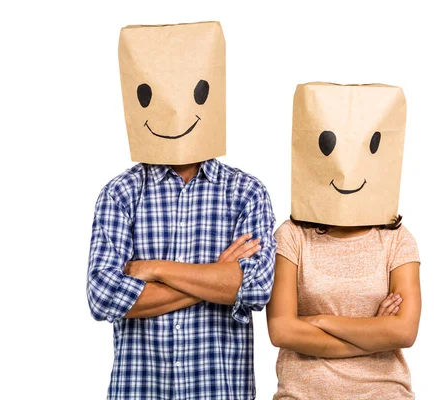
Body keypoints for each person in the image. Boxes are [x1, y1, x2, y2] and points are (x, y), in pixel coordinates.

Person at [87, 22, 276, 400]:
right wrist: (216, 278)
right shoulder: (120, 194)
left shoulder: (247, 193)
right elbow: (103, 295)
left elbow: (255, 287)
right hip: (138, 390)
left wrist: (155, 269)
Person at [267, 82, 421, 399]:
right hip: (302, 393)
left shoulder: (397, 241)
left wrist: (319, 321)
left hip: (382, 392)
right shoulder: (292, 236)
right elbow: (282, 329)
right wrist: (372, 332)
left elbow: (404, 332)